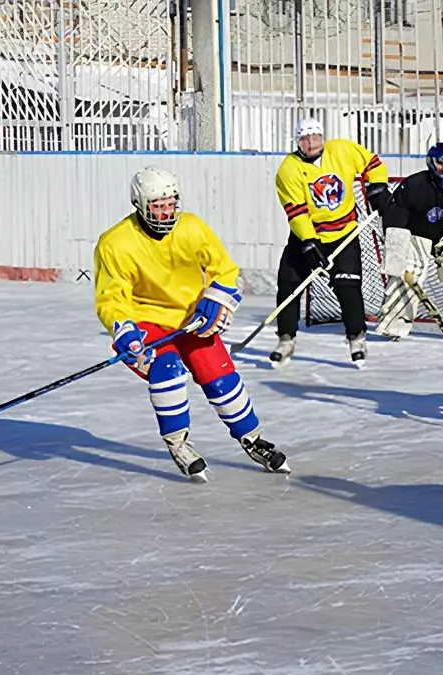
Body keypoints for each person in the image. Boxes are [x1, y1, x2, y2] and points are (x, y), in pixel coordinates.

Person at [94, 167, 290, 482]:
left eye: (171, 202)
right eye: (157, 205)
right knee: (167, 369)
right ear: (139, 203)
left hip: (190, 320)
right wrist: (124, 329)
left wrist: (218, 298)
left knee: (218, 375)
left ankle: (251, 438)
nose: (166, 211)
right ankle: (178, 443)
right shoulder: (114, 243)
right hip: (147, 324)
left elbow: (224, 269)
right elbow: (111, 297)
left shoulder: (192, 228)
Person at [271, 117, 393, 369]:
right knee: (288, 283)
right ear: (298, 142)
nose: (311, 143)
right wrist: (308, 241)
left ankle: (357, 337)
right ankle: (286, 338)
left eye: (315, 137)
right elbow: (296, 211)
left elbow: (372, 163)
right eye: (305, 139)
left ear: (322, 137)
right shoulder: (288, 169)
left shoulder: (342, 150)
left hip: (344, 233)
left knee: (347, 286)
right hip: (307, 234)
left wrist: (378, 184)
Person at [376, 142, 443, 340]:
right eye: (440, 163)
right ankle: (394, 323)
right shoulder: (413, 185)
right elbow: (395, 217)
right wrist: (396, 250)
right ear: (431, 162)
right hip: (417, 235)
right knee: (408, 270)